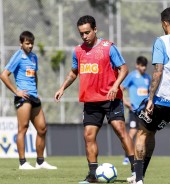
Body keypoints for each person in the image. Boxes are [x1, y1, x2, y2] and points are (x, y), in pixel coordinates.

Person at [54, 15, 134, 183]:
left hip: (111, 98)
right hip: (90, 101)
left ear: (95, 29)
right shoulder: (78, 51)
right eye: (81, 33)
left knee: (120, 130)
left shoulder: (108, 47)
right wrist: (62, 87)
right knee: (88, 136)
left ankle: (136, 172)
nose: (85, 36)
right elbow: (74, 72)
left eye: (87, 32)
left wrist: (115, 86)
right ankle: (92, 176)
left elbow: (124, 69)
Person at [128, 7, 170, 184]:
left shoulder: (161, 41)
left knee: (142, 134)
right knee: (151, 134)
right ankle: (140, 175)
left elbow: (158, 71)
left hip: (160, 98)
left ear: (165, 23)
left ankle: (138, 179)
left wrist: (151, 98)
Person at [0, 31, 57, 170]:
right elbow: (4, 75)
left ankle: (40, 162)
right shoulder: (18, 56)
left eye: (31, 43)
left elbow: (34, 75)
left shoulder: (34, 57)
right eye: (27, 43)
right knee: (23, 128)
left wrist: (36, 92)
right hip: (23, 97)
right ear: (21, 43)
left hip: (33, 96)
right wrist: (16, 91)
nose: (30, 46)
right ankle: (23, 163)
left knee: (42, 129)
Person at [120, 56, 151, 165]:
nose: (143, 68)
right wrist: (125, 101)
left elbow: (151, 92)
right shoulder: (132, 76)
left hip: (144, 110)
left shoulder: (148, 78)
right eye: (141, 66)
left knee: (143, 133)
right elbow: (121, 88)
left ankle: (141, 157)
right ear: (137, 65)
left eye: (145, 66)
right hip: (134, 109)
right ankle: (127, 157)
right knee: (132, 132)